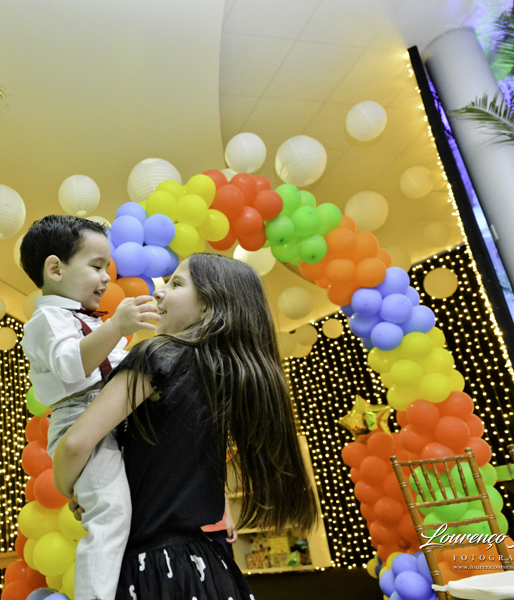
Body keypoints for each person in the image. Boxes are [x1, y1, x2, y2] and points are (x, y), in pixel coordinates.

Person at [53, 253, 319, 600]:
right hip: (207, 568)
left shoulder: (157, 354)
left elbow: (76, 444)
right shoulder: (223, 376)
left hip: (152, 569)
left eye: (177, 284)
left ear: (209, 305)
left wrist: (68, 489)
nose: (158, 292)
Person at [19, 215, 159, 600]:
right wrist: (117, 327)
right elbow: (71, 366)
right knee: (110, 512)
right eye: (97, 267)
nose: (105, 278)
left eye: (107, 268)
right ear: (55, 269)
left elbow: (117, 365)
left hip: (110, 415)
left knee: (128, 508)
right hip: (79, 417)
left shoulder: (86, 320)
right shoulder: (47, 319)